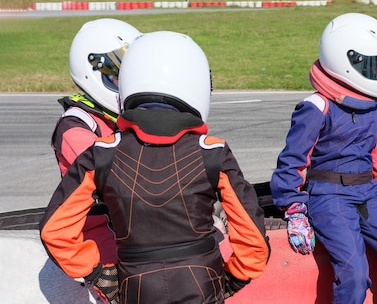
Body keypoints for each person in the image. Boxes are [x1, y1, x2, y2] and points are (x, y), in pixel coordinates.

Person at [40, 31, 270, 304]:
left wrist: (98, 275)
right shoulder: (213, 151)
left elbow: (55, 230)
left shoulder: (100, 153)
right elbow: (254, 242)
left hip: (135, 288)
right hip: (202, 284)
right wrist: (234, 278)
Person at [270, 13, 377, 303]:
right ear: (344, 60)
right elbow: (293, 160)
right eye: (371, 64)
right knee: (354, 276)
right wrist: (294, 209)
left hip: (369, 193)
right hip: (330, 195)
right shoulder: (316, 106)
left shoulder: (373, 105)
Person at [48, 18, 142, 303]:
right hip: (101, 240)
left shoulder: (124, 118)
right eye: (120, 74)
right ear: (93, 73)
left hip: (136, 228)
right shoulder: (76, 126)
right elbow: (121, 178)